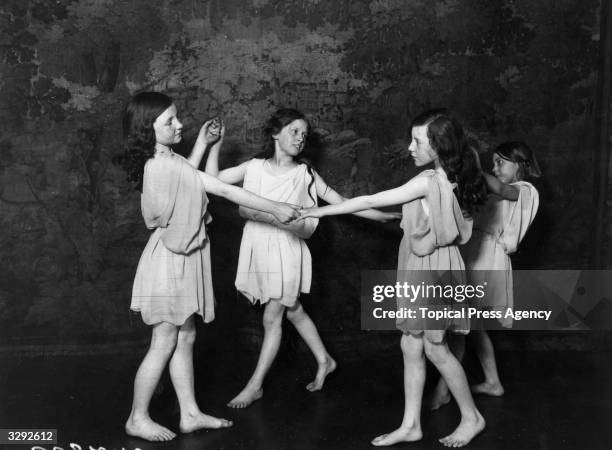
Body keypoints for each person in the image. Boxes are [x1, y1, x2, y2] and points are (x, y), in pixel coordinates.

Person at [299, 109, 487, 447]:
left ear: (439, 146)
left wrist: (320, 210)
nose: (410, 147)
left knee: (435, 348)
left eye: (417, 141)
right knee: (410, 344)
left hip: (434, 271)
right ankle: (411, 424)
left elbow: (371, 199)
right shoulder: (459, 172)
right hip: (427, 265)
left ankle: (472, 418)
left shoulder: (428, 182)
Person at [119, 92, 300, 441]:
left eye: (176, 117)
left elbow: (187, 175)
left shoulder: (167, 160)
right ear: (147, 128)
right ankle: (137, 417)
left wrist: (202, 144)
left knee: (185, 335)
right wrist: (275, 208)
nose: (179, 124)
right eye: (169, 121)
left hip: (182, 259)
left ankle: (189, 413)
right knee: (165, 339)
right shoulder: (162, 165)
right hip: (171, 262)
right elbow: (220, 189)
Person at [204, 108, 400, 408]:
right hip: (257, 247)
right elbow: (212, 179)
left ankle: (255, 385)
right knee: (292, 309)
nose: (300, 138)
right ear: (275, 133)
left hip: (287, 250)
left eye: (304, 134)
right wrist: (215, 145)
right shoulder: (254, 167)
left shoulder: (304, 173)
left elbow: (343, 203)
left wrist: (382, 216)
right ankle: (325, 360)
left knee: (273, 318)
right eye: (294, 131)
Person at [430, 141, 540, 408]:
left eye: (500, 162)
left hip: (488, 260)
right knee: (474, 327)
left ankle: (443, 391)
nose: (495, 167)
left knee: (460, 327)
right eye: (492, 162)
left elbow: (500, 188)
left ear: (520, 165)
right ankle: (492, 382)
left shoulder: (525, 190)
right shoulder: (498, 192)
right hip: (473, 253)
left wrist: (471, 165)